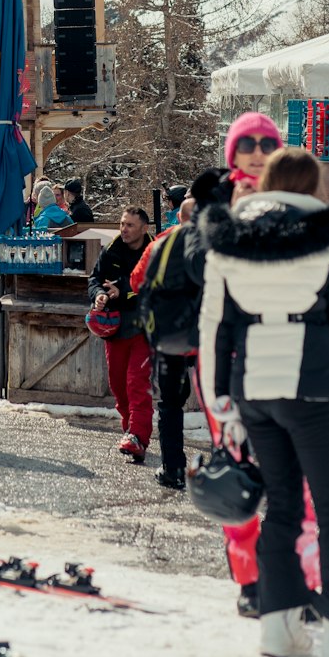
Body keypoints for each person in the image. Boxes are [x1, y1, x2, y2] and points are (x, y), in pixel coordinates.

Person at [198, 146, 329, 657]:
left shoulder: (229, 236)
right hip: (310, 384)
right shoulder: (327, 236)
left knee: (281, 506)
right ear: (310, 186)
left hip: (251, 388)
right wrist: (328, 361)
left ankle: (279, 628)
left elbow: (214, 325)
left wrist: (222, 399)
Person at [184, 110, 287, 616]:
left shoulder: (296, 200)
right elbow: (199, 269)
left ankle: (293, 581)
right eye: (247, 144)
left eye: (267, 144)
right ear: (232, 152)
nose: (257, 153)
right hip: (226, 355)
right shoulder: (213, 203)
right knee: (239, 473)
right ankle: (249, 582)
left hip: (286, 354)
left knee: (295, 480)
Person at [131, 195, 196, 489]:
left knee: (170, 405)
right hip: (212, 337)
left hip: (172, 338)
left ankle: (173, 468)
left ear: (178, 216)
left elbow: (136, 280)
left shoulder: (162, 243)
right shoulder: (224, 242)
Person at [88, 206, 154, 462]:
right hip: (115, 329)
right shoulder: (111, 249)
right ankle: (130, 428)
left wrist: (123, 291)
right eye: (122, 224)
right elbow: (94, 279)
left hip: (145, 327)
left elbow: (152, 285)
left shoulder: (154, 251)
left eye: (130, 225)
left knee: (137, 383)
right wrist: (99, 296)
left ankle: (138, 435)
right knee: (117, 384)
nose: (124, 229)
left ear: (144, 228)